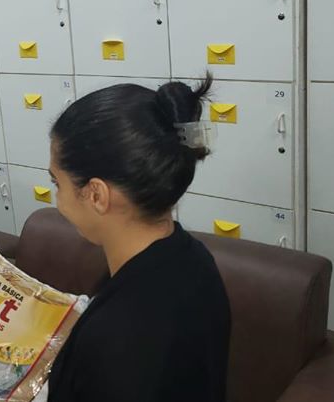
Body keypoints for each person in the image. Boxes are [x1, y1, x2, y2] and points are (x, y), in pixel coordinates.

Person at [45, 78, 231, 402]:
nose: (56, 200)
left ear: (96, 195)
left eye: (57, 183)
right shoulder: (194, 258)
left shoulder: (117, 340)